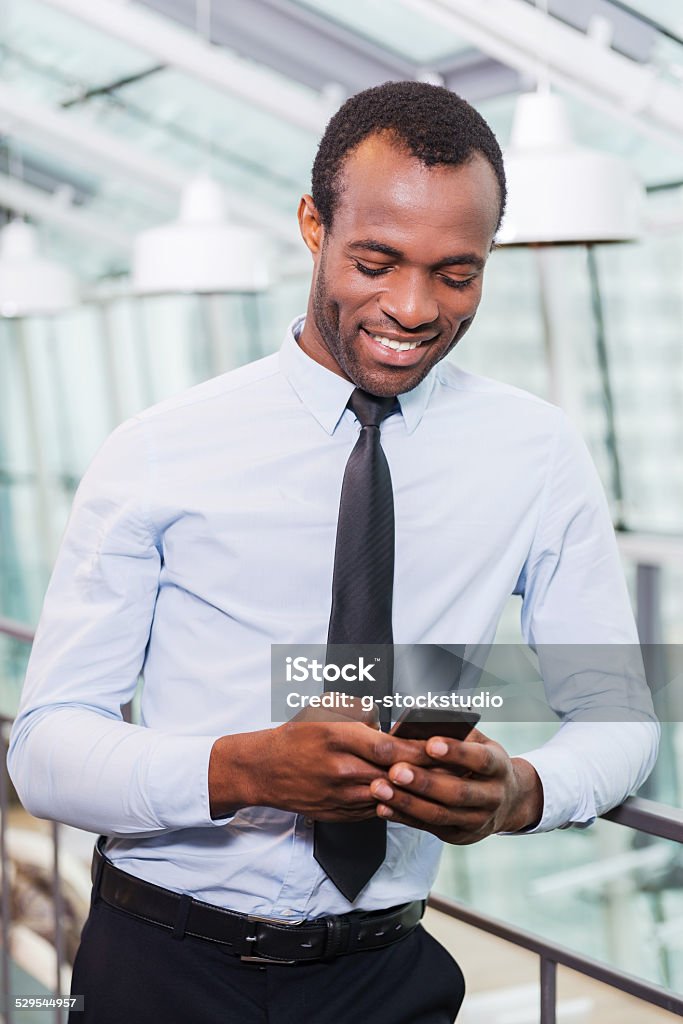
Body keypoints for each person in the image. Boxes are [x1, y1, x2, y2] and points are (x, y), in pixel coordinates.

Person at [7, 81, 658, 1024]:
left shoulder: (536, 452)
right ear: (313, 226)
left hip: (388, 975)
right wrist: (245, 769)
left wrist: (522, 791)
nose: (412, 306)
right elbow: (47, 748)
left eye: (456, 273)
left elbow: (617, 711)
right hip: (161, 967)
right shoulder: (159, 446)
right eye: (377, 259)